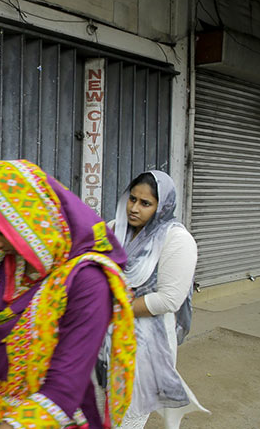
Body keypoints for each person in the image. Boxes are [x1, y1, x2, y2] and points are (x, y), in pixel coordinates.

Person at [0, 160, 136, 428]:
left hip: (50, 418)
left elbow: (63, 390)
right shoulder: (3, 260)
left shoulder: (88, 282)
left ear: (29, 219)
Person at [105, 170, 209, 428]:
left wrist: (117, 306)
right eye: (132, 199)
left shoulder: (177, 239)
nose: (134, 208)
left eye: (145, 203)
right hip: (107, 339)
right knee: (106, 408)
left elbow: (168, 300)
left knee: (129, 415)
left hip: (147, 345)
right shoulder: (113, 229)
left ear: (163, 206)